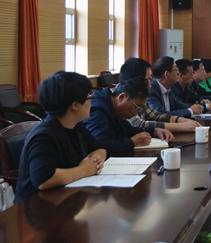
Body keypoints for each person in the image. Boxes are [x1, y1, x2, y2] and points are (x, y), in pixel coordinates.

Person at [15, 72, 107, 204]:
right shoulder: (44, 136)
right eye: (89, 97)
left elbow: (100, 148)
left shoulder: (76, 125)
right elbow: (43, 180)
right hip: (36, 207)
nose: (91, 101)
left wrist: (94, 161)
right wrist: (83, 170)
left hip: (67, 200)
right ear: (75, 105)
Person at [85, 76, 172, 156]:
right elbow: (99, 145)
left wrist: (155, 131)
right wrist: (132, 142)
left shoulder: (116, 108)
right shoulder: (98, 110)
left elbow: (127, 130)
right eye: (136, 107)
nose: (135, 113)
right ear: (122, 97)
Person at [119, 57, 200, 133]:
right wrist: (181, 126)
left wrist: (181, 120)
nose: (151, 82)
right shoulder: (124, 96)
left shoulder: (140, 95)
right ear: (138, 81)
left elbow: (156, 115)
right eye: (150, 78)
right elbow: (139, 124)